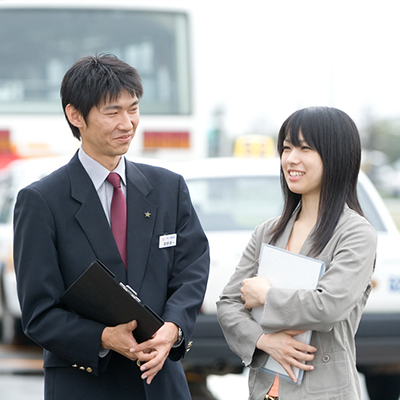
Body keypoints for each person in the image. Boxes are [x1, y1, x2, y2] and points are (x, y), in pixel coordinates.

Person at [13, 54, 210, 400]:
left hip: (162, 385)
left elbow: (192, 269)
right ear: (76, 115)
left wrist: (173, 328)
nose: (127, 123)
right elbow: (39, 314)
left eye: (133, 109)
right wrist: (103, 337)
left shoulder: (169, 188)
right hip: (85, 386)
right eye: (112, 111)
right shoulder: (42, 201)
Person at [216, 106, 377, 400]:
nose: (291, 158)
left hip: (323, 392)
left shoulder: (355, 233)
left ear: (337, 156)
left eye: (305, 148)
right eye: (287, 147)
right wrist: (264, 340)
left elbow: (328, 306)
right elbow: (228, 304)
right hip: (265, 391)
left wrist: (266, 294)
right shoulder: (267, 231)